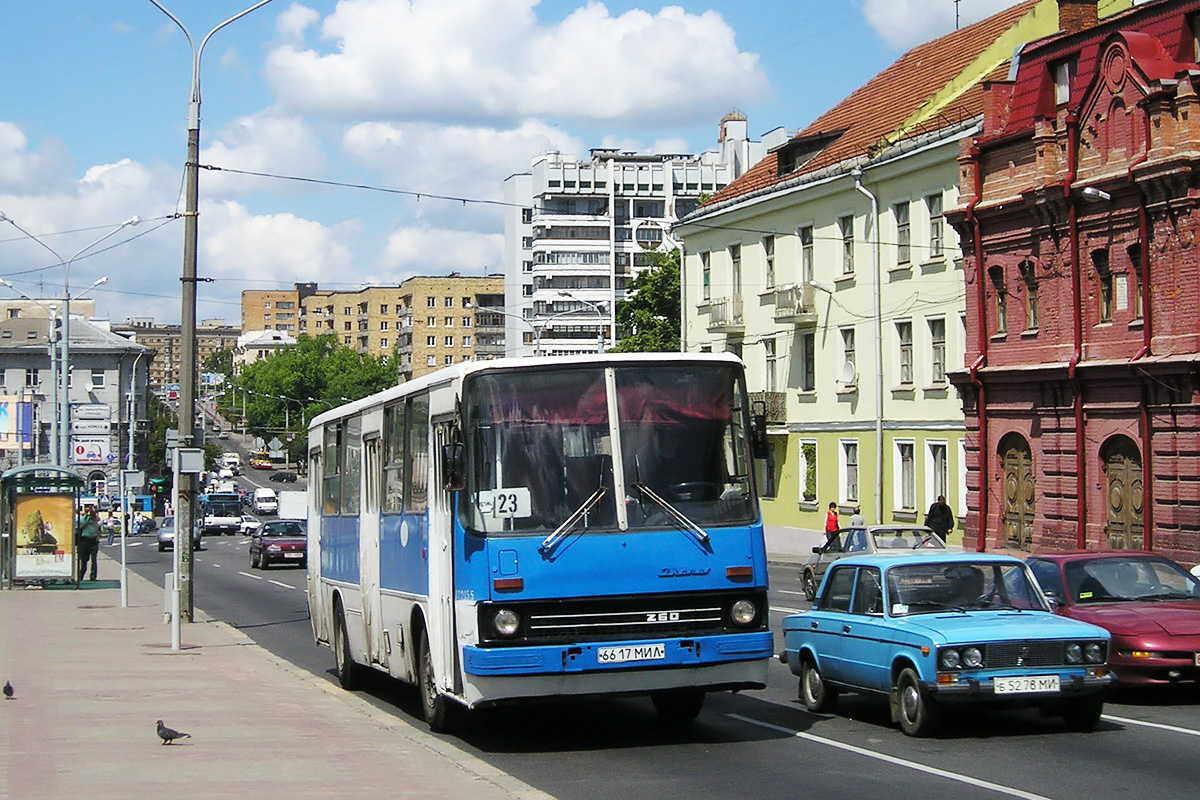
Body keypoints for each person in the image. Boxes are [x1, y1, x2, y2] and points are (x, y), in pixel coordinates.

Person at [77, 507, 102, 582]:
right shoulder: (85, 518)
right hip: (85, 540)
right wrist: (88, 519)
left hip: (93, 541)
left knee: (94, 559)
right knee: (84, 560)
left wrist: (97, 537)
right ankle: (80, 576)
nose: (93, 514)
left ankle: (93, 577)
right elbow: (80, 526)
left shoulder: (98, 519)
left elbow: (99, 529)